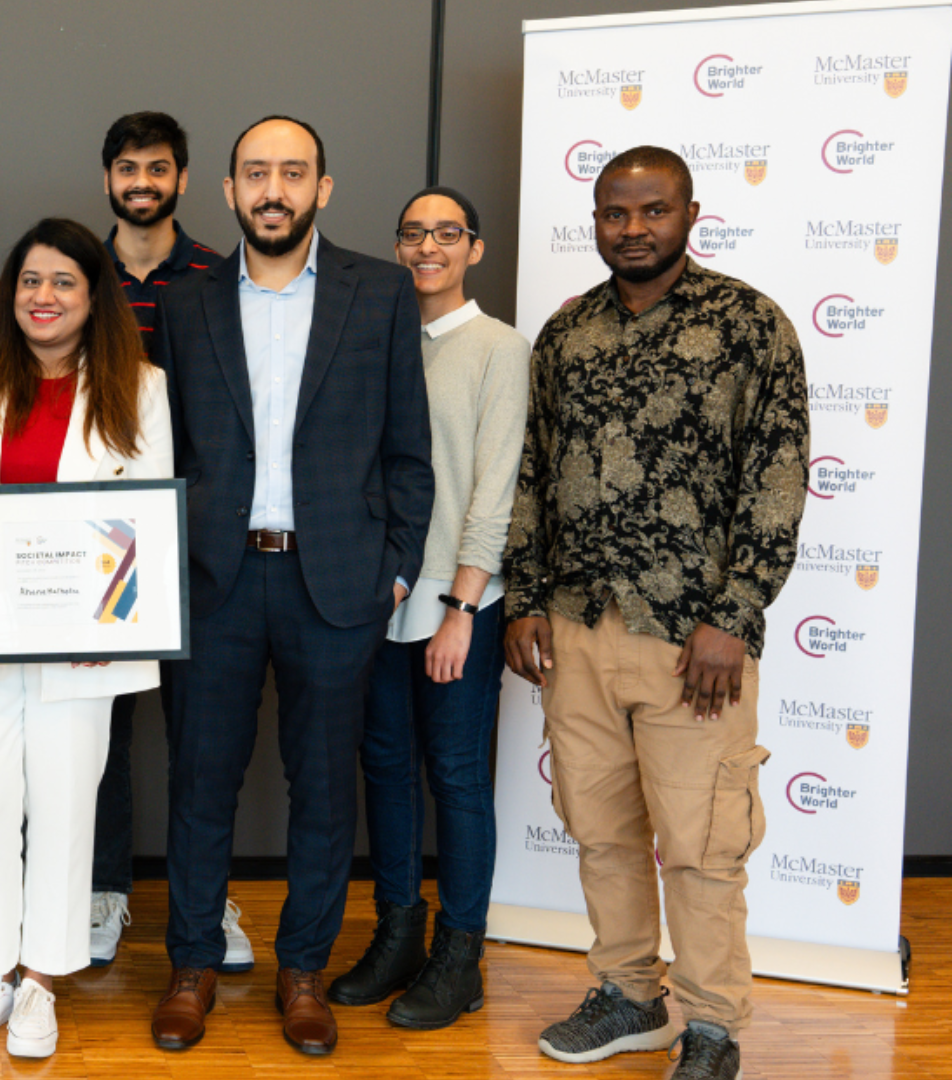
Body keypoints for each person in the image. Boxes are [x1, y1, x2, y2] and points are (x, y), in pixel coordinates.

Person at [505, 146, 807, 1080]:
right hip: (579, 632)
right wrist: (524, 597)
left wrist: (737, 613)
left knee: (703, 845)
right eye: (614, 213)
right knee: (600, 831)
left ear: (690, 214)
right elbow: (534, 472)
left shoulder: (749, 325)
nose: (632, 229)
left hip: (693, 640)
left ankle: (713, 1029)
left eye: (652, 211)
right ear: (595, 220)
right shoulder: (567, 336)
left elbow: (778, 476)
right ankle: (631, 996)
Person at [150, 115, 433, 1057]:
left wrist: (394, 569)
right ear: (226, 192)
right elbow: (164, 451)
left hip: (338, 584)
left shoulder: (382, 292)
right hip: (213, 582)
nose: (274, 188)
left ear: (324, 188)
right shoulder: (185, 306)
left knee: (321, 791)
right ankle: (191, 966)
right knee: (199, 785)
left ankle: (302, 972)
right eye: (256, 173)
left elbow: (408, 452)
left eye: (294, 172)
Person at [0, 217, 174, 1059]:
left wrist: (118, 616)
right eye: (30, 281)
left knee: (64, 808)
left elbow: (152, 511)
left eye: (63, 282)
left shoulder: (141, 383)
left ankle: (41, 982)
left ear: (92, 296)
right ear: (10, 293)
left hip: (81, 641)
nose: (44, 297)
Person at [327, 187, 527, 1029]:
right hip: (379, 600)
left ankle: (460, 956)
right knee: (387, 772)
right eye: (413, 233)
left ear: (473, 249)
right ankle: (398, 935)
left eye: (447, 234)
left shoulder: (497, 348)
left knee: (455, 777)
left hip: (454, 602)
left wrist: (463, 606)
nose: (427, 248)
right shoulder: (375, 340)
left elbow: (496, 483)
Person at [87, 110, 238, 970]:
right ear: (107, 177)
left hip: (199, 541)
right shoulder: (78, 273)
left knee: (200, 739)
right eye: (127, 168)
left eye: (157, 168)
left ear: (182, 178)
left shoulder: (222, 276)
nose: (141, 181)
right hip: (98, 539)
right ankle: (106, 895)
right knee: (101, 734)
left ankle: (203, 907)